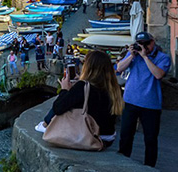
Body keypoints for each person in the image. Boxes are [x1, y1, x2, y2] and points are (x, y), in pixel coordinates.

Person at [36, 50, 124, 147]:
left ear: (88, 67)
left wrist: (64, 90)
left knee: (65, 103)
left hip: (91, 135)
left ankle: (45, 123)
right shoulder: (115, 88)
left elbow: (58, 107)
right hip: (108, 136)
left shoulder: (83, 87)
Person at [116, 31, 171, 168]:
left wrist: (146, 57)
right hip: (130, 100)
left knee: (150, 138)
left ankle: (149, 167)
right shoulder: (133, 54)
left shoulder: (163, 58)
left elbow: (158, 75)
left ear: (153, 42)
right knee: (126, 135)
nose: (143, 46)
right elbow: (119, 68)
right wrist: (131, 56)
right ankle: (122, 162)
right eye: (140, 44)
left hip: (151, 104)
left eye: (146, 43)